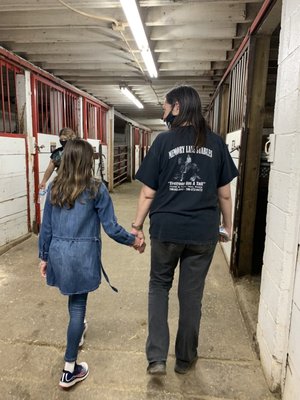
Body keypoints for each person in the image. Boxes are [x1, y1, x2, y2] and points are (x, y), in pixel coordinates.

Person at [131, 85, 238, 376]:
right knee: (191, 296)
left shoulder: (163, 142)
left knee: (158, 288)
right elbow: (224, 194)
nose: (163, 113)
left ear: (177, 107)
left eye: (165, 107)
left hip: (166, 229)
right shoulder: (215, 143)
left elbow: (148, 193)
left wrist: (137, 227)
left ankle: (156, 358)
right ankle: (185, 359)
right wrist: (227, 226)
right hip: (202, 233)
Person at [38, 139, 142, 389]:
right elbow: (111, 228)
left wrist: (44, 256)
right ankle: (69, 368)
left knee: (73, 302)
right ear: (86, 161)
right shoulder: (96, 189)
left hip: (59, 253)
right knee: (77, 307)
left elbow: (47, 228)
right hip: (83, 255)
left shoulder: (55, 187)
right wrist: (134, 241)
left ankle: (79, 332)